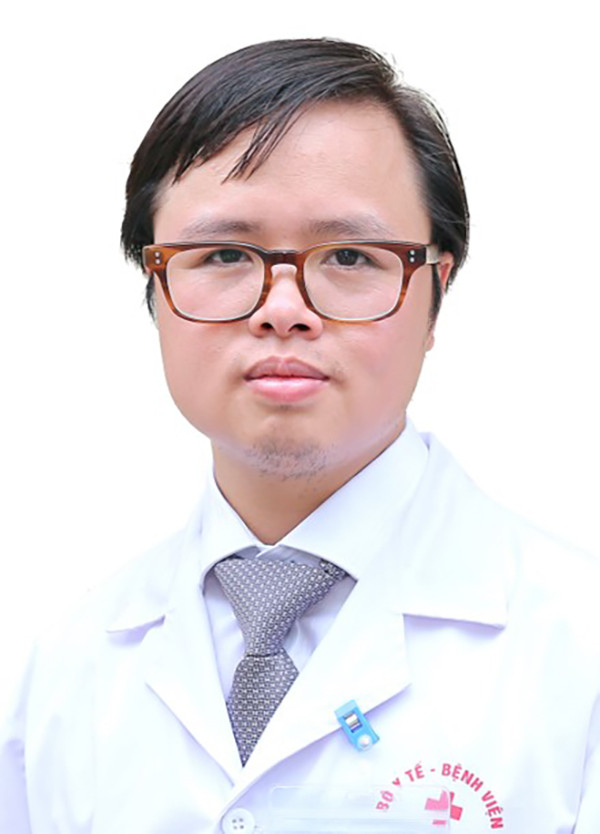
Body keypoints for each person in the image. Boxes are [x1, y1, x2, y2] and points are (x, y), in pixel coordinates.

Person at [1, 37, 599, 834]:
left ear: (436, 288)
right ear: (155, 284)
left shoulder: (577, 647)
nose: (283, 310)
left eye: (349, 254)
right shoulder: (65, 670)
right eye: (223, 253)